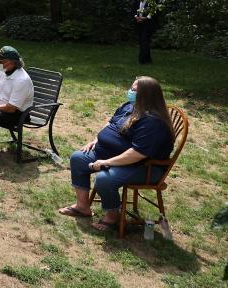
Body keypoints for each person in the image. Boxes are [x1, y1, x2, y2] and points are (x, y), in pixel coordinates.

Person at [58, 76, 174, 231]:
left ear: (146, 96)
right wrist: (96, 140)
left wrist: (108, 162)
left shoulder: (152, 122)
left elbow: (138, 153)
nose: (130, 92)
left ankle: (113, 216)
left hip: (143, 167)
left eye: (134, 90)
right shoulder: (129, 106)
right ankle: (82, 206)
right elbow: (111, 123)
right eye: (131, 88)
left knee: (104, 179)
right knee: (78, 158)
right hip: (111, 154)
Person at [134, 0, 156, 64]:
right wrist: (137, 17)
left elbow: (154, 11)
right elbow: (134, 9)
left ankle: (142, 60)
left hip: (148, 22)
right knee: (142, 41)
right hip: (139, 22)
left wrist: (145, 18)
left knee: (144, 40)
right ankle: (148, 59)